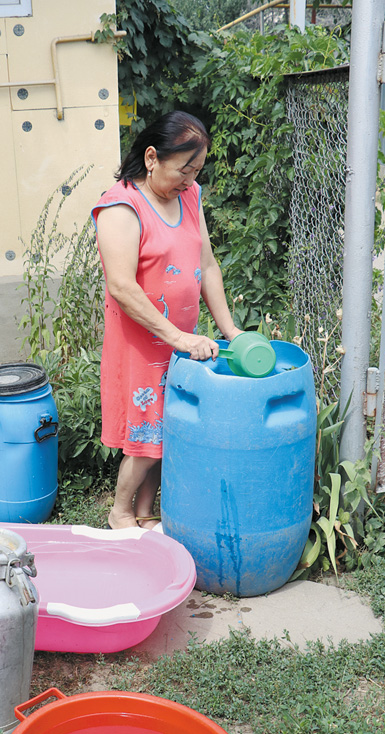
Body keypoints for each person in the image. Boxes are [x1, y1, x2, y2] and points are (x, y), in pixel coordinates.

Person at [92, 110, 242, 530]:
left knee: (167, 429)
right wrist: (177, 336)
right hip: (142, 344)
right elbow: (122, 287)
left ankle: (145, 514)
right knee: (144, 437)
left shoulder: (190, 197)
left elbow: (207, 264)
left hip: (180, 340)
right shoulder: (121, 207)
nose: (190, 179)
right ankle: (120, 513)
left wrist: (230, 330)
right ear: (153, 157)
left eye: (197, 170)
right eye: (184, 169)